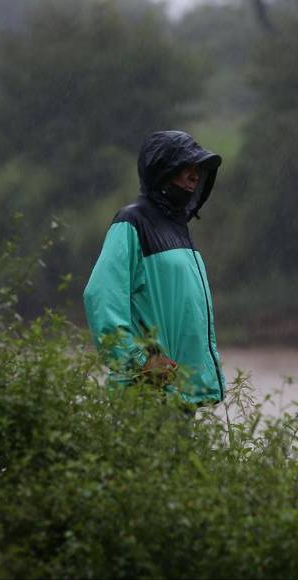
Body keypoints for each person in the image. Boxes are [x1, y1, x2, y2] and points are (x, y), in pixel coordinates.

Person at [83, 130, 225, 405]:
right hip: (144, 395)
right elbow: (101, 294)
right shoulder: (132, 222)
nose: (195, 176)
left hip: (177, 396)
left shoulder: (179, 229)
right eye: (186, 168)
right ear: (162, 171)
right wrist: (139, 361)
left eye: (197, 170)